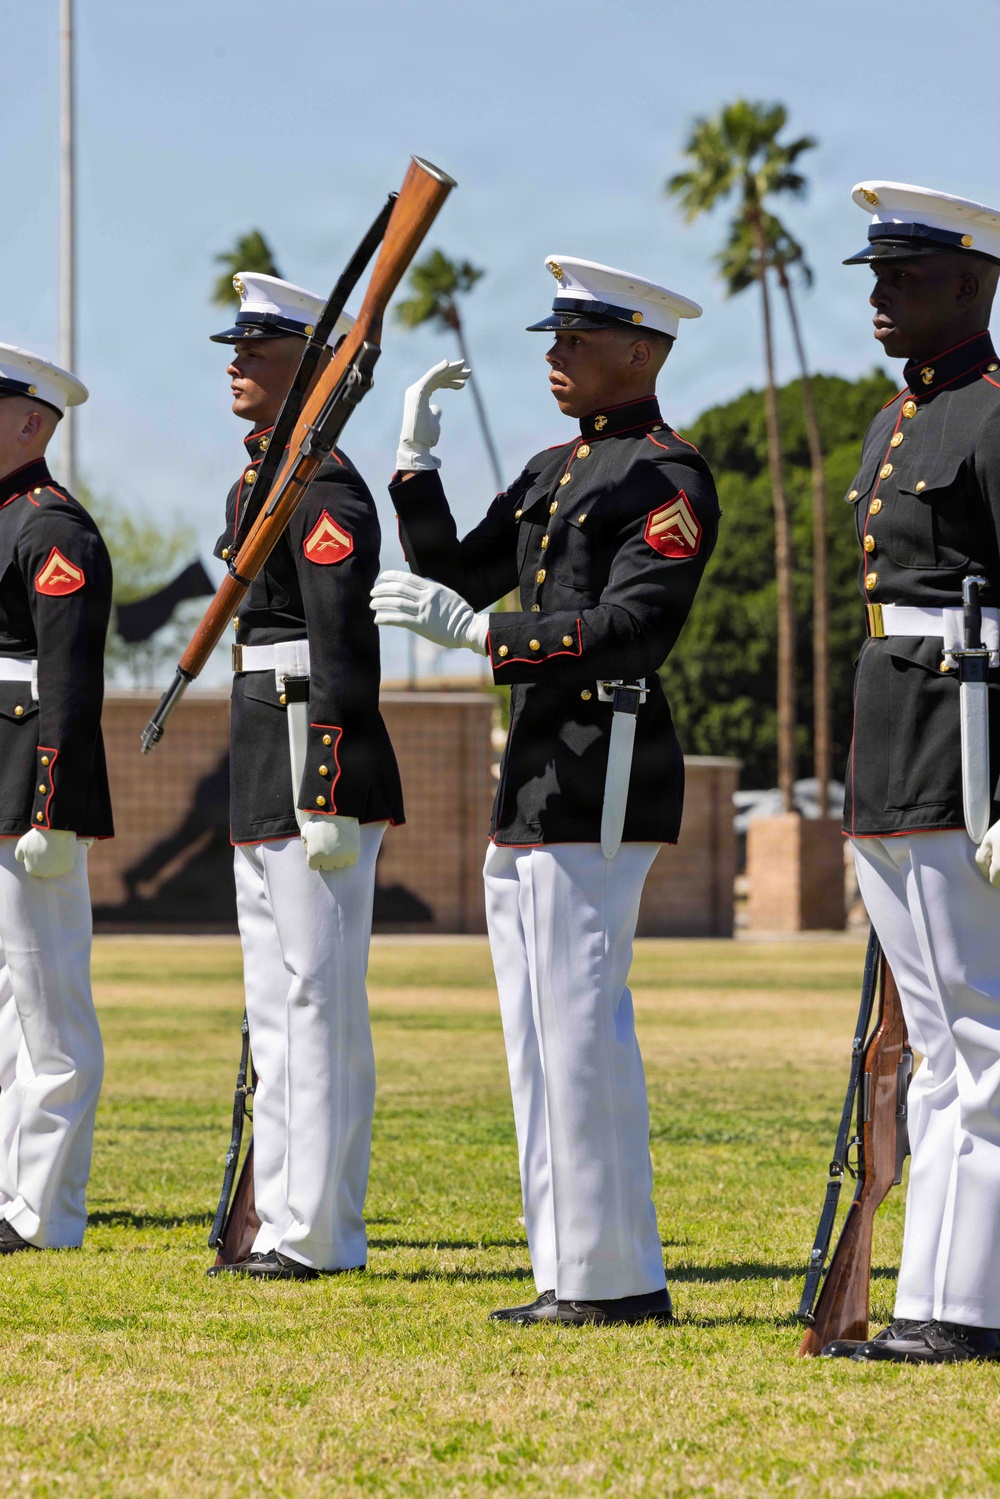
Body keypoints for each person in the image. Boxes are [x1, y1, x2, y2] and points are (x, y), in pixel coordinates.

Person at [372, 257, 720, 1324]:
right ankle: (567, 1269)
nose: (553, 357)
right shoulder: (551, 469)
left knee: (578, 1027)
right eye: (552, 339)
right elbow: (459, 572)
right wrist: (413, 462)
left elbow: (632, 626)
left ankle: (618, 1278)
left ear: (642, 351)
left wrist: (483, 637)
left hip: (602, 761)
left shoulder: (669, 477)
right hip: (534, 765)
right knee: (534, 1039)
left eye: (576, 340)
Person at [822, 182, 1000, 1363]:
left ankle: (968, 1303)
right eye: (875, 278)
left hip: (968, 746)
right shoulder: (897, 420)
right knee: (936, 1042)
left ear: (976, 285)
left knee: (981, 1039)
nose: (880, 297)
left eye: (907, 278)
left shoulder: (993, 415)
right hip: (894, 738)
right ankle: (932, 1295)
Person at [207, 273, 403, 1281]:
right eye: (233, 348)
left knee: (319, 999)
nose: (234, 364)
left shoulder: (322, 485)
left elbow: (341, 640)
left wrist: (328, 777)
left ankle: (320, 1231)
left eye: (257, 349)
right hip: (259, 743)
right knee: (276, 1002)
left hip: (307, 746)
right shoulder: (257, 482)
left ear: (311, 367)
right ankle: (282, 1214)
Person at [0, 344, 112, 1254]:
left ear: (32, 423)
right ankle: (11, 1195)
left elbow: (68, 683)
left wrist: (51, 807)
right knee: (9, 1008)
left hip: (28, 796)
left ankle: (44, 1213)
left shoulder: (52, 528)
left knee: (49, 1009)